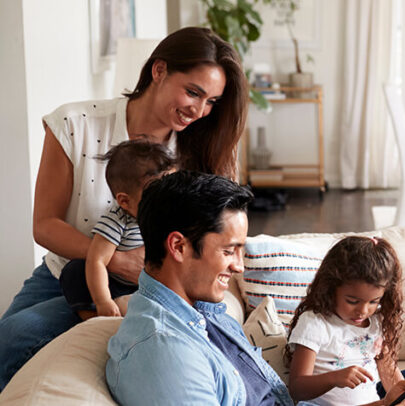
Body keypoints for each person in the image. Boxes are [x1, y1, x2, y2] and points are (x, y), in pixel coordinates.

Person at [0, 26, 247, 390]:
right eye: (193, 92)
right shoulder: (75, 124)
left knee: (17, 337)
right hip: (64, 272)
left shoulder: (198, 151)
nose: (199, 110)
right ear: (158, 70)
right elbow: (46, 225)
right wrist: (112, 258)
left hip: (148, 287)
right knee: (8, 339)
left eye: (211, 101)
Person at [106, 171, 405, 406]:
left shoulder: (203, 311)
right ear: (178, 246)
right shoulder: (165, 352)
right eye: (228, 250)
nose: (239, 266)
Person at [286, 236, 405, 406]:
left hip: (375, 402)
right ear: (330, 288)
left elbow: (389, 374)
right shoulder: (315, 322)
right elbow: (297, 387)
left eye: (373, 301)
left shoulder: (375, 322)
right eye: (352, 301)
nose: (363, 311)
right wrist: (334, 378)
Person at [58, 140, 176, 320]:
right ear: (125, 201)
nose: (167, 201)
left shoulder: (172, 217)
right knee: (76, 270)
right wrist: (103, 300)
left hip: (154, 286)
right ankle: (94, 317)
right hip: (117, 286)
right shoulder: (117, 221)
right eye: (156, 194)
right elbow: (97, 260)